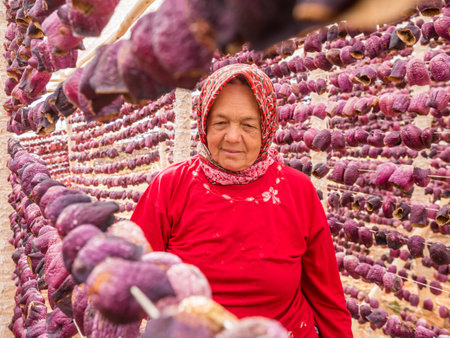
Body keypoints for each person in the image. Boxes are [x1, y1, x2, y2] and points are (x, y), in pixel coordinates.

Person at [131, 63, 353, 337]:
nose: (232, 137)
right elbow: (135, 278)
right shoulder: (171, 186)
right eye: (221, 123)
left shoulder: (298, 191)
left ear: (266, 129)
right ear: (204, 125)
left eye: (248, 125)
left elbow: (327, 296)